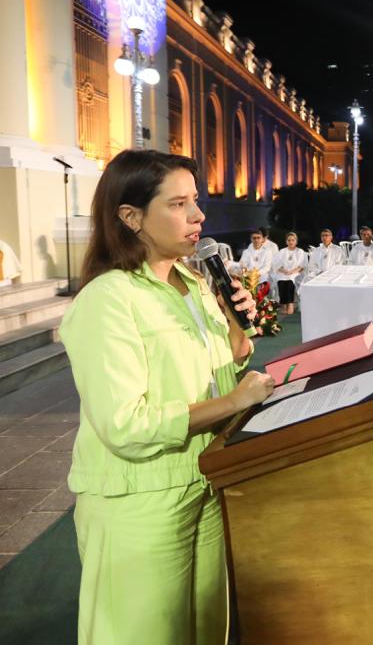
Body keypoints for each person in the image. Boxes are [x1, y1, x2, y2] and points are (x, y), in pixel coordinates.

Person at [58, 150, 275, 644]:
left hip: (205, 481)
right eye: (178, 204)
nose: (198, 216)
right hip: (140, 499)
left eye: (195, 201)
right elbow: (125, 425)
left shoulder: (194, 283)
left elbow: (219, 372)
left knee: (205, 631)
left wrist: (238, 330)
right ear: (130, 217)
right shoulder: (108, 299)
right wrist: (237, 402)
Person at [273, 232, 307, 315]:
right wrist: (285, 271)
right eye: (289, 240)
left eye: (293, 240)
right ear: (286, 241)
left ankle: (290, 306)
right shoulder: (282, 251)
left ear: (296, 241)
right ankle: (283, 306)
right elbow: (277, 264)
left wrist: (292, 272)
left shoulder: (300, 252)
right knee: (281, 281)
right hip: (283, 273)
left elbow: (302, 266)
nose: (291, 242)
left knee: (289, 282)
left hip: (296, 273)